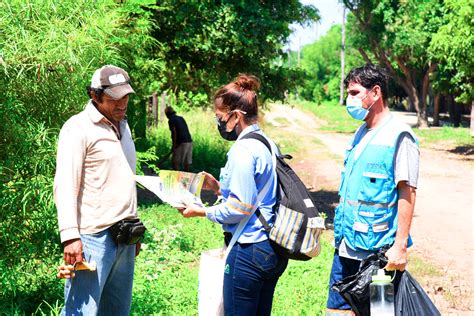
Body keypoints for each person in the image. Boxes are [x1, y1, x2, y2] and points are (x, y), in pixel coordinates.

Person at [177, 74, 288, 315]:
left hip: (248, 249)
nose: (219, 124)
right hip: (272, 247)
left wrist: (202, 211)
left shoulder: (242, 150)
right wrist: (218, 189)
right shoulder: (267, 143)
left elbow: (240, 208)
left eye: (220, 118)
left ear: (236, 116)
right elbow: (259, 193)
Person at [326, 64, 420, 315]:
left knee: (379, 313)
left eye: (355, 93)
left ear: (375, 92)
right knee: (336, 312)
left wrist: (400, 246)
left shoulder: (400, 136)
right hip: (346, 247)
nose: (349, 100)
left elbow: (407, 192)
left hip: (378, 257)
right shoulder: (360, 132)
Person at [54, 65, 144, 315]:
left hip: (125, 236)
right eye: (115, 98)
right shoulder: (78, 128)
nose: (122, 103)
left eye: (126, 96)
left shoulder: (122, 126)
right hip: (92, 239)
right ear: (95, 95)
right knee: (81, 311)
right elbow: (65, 184)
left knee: (116, 311)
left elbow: (125, 178)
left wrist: (134, 225)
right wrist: (71, 236)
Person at [165, 106, 193, 171]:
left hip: (181, 142)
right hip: (189, 141)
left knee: (175, 162)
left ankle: (176, 178)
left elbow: (174, 133)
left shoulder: (171, 120)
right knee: (187, 162)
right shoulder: (181, 118)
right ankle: (187, 177)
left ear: (167, 114)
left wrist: (174, 145)